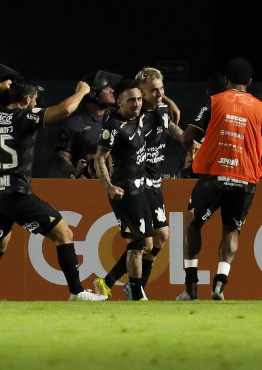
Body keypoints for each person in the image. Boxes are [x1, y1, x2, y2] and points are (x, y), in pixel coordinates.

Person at [0, 77, 107, 302]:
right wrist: (82, 91)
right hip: (17, 194)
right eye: (35, 99)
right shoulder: (24, 117)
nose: (36, 103)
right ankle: (77, 292)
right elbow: (64, 110)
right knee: (64, 234)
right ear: (26, 99)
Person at [175, 57, 262, 301]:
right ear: (249, 82)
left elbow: (188, 137)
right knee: (231, 229)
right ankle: (220, 284)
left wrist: (201, 144)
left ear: (227, 80)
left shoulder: (213, 102)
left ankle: (190, 288)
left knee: (192, 223)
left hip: (215, 176)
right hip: (246, 179)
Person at [92, 68, 184, 300]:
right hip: (135, 183)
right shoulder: (125, 115)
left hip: (153, 180)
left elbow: (168, 125)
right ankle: (132, 288)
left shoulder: (159, 108)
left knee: (159, 238)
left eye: (162, 89)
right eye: (154, 91)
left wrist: (189, 140)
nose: (159, 94)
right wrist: (110, 184)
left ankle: (123, 285)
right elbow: (103, 153)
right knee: (142, 241)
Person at [93, 79, 154, 302]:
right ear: (119, 102)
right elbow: (100, 158)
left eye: (139, 99)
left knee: (148, 244)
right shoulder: (113, 125)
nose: (137, 104)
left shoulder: (139, 115)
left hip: (141, 189)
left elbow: (156, 94)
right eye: (131, 100)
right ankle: (137, 296)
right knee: (136, 245)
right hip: (124, 191)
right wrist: (109, 186)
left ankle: (106, 283)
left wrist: (169, 102)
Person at [53, 71, 122, 179]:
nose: (112, 91)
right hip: (88, 184)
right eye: (107, 87)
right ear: (93, 93)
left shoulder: (119, 116)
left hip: (119, 182)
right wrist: (73, 172)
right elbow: (61, 155)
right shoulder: (74, 123)